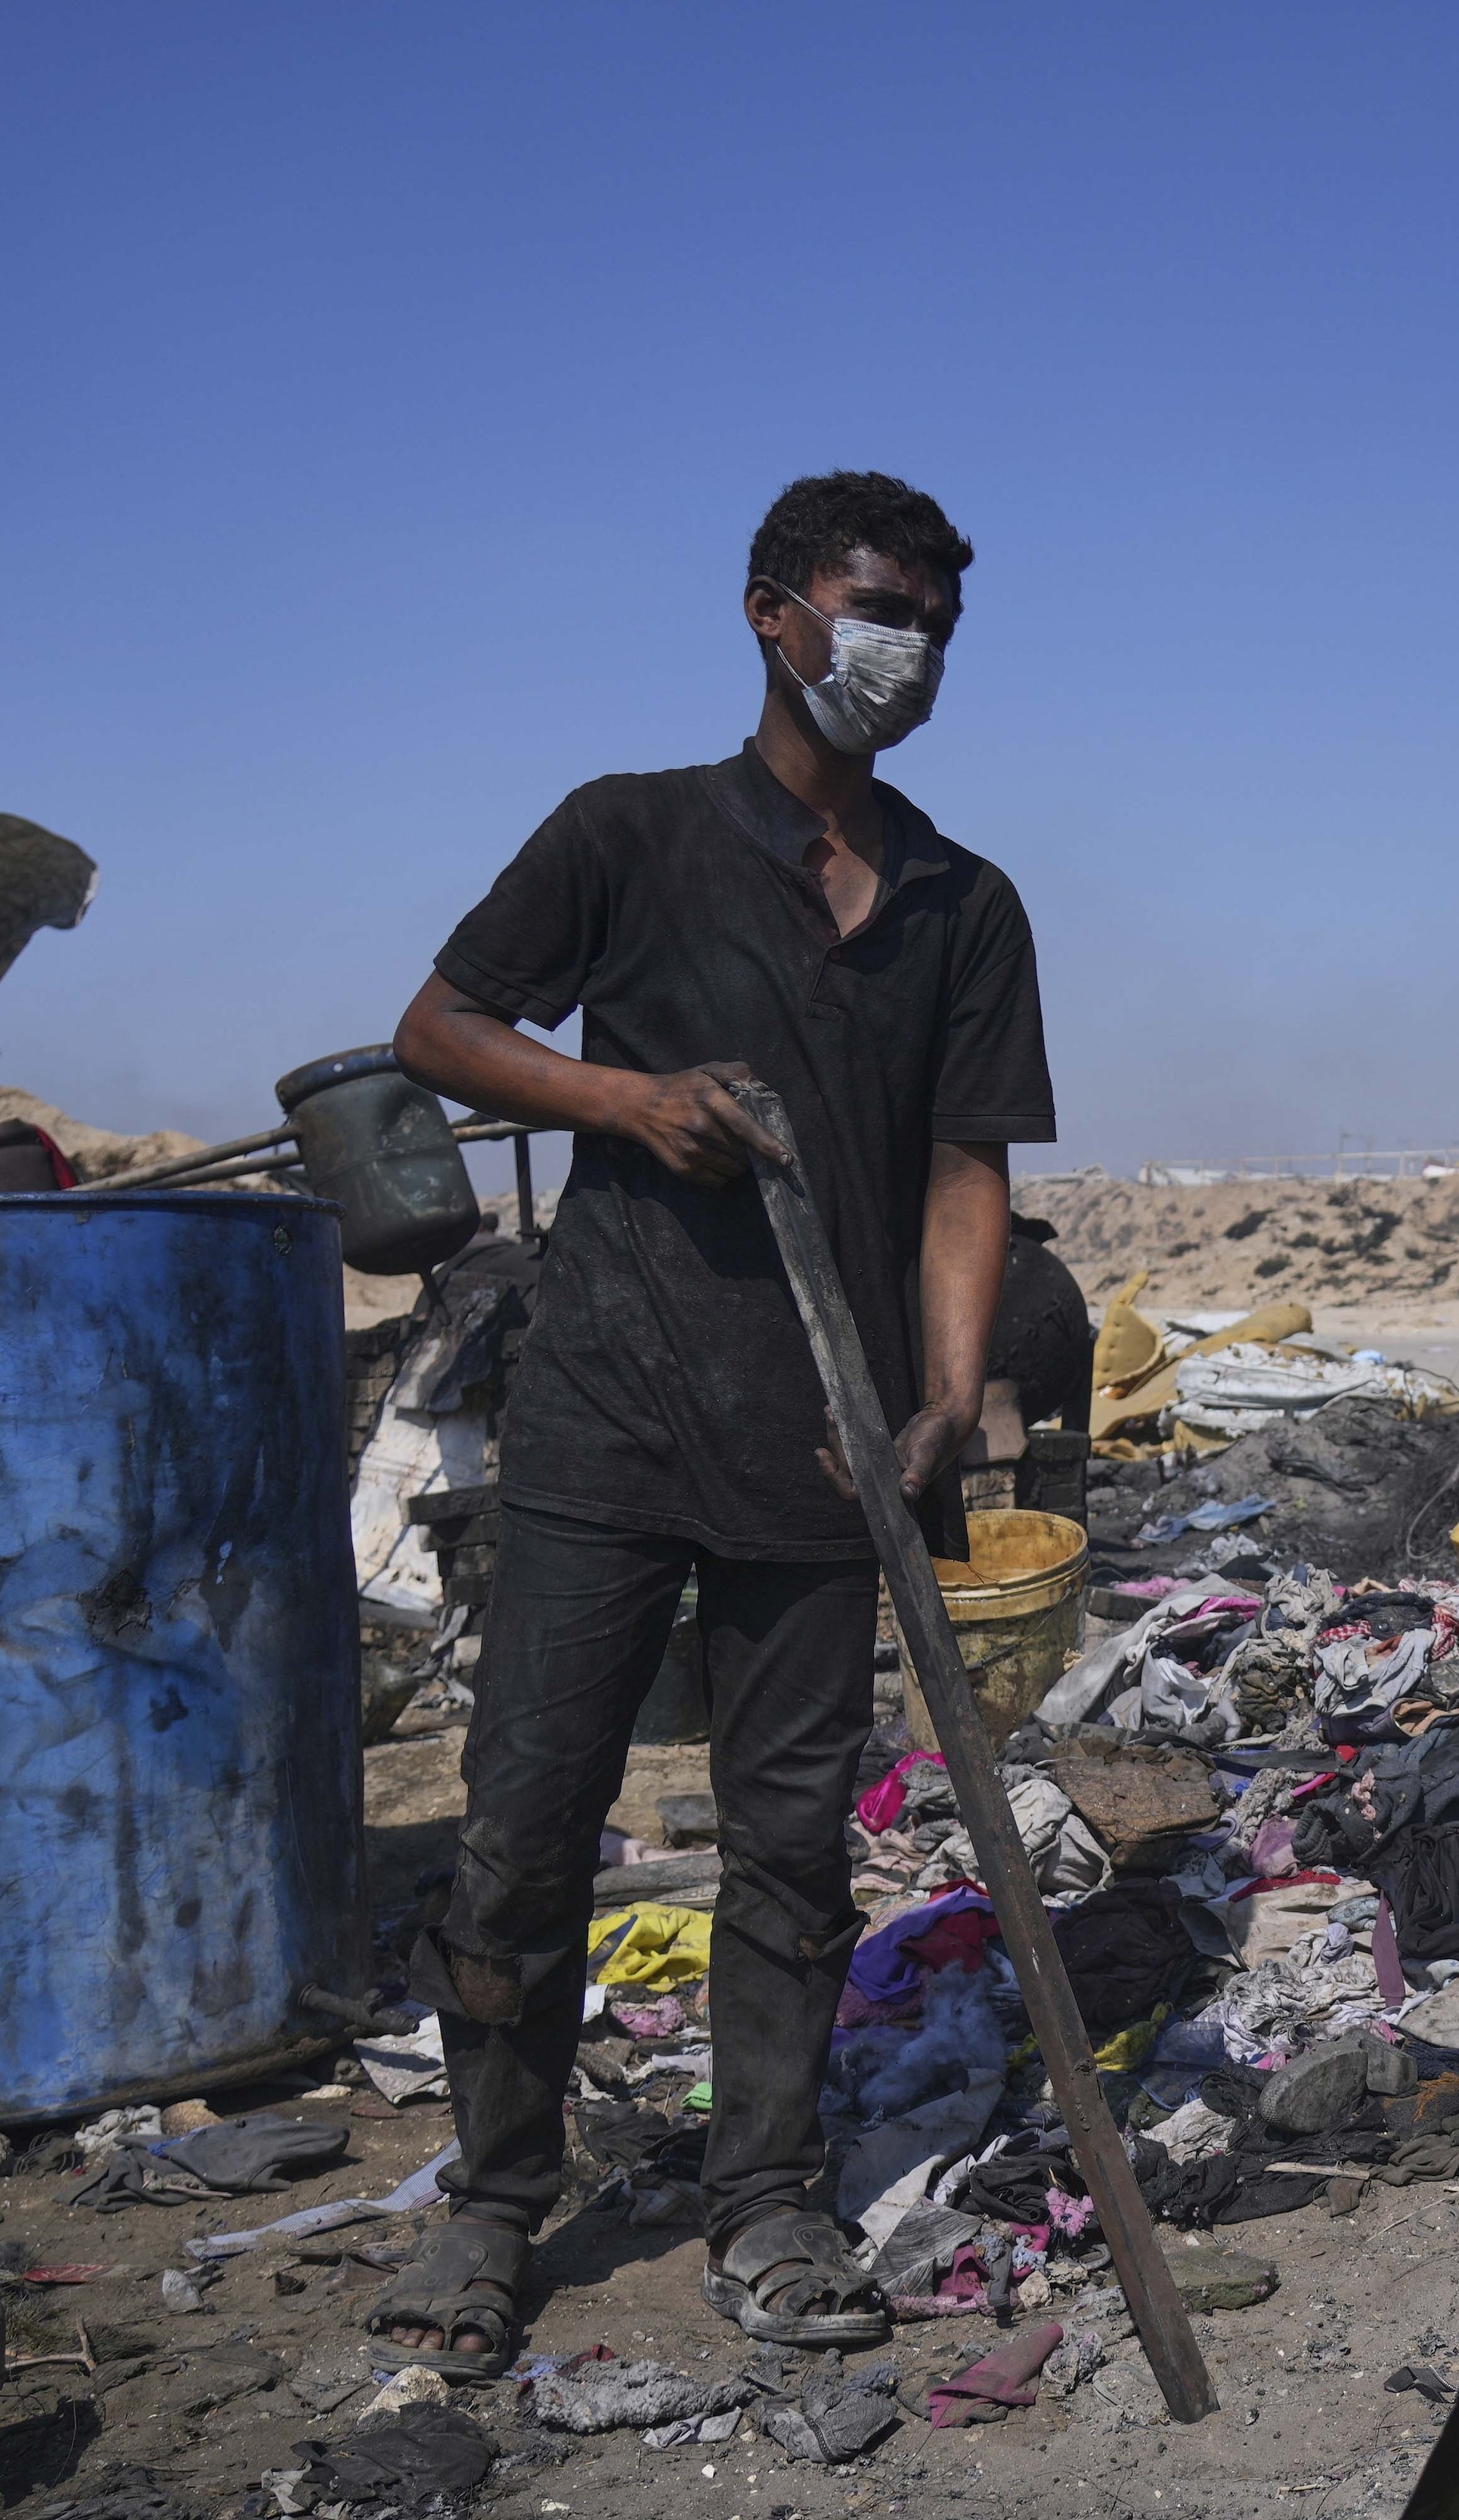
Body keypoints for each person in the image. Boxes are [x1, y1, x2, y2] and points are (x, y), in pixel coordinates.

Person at [369, 471, 1053, 2376]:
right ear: (773, 611)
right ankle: (495, 2208)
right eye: (873, 601)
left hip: (826, 1447)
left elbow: (961, 1171)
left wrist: (939, 1401)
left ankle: (763, 2198)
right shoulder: (631, 836)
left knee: (790, 1847)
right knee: (520, 1830)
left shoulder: (957, 902)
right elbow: (437, 1028)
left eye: (933, 615)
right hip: (608, 1413)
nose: (903, 642)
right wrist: (623, 1102)